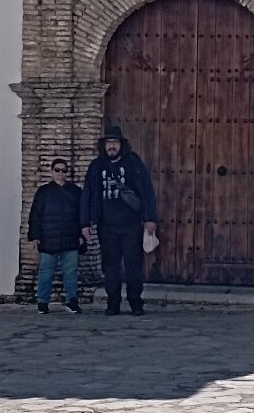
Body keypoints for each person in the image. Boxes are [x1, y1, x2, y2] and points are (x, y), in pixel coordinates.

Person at [81, 126, 158, 316]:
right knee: (110, 266)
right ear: (103, 145)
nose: (112, 146)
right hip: (106, 225)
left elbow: (146, 190)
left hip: (131, 224)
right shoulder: (96, 166)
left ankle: (135, 303)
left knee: (133, 265)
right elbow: (88, 194)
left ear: (121, 145)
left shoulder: (133, 163)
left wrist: (150, 218)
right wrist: (85, 223)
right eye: (109, 143)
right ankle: (113, 303)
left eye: (115, 142)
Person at [28, 158, 84, 314]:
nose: (60, 173)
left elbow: (82, 215)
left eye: (63, 170)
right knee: (46, 271)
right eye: (57, 170)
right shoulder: (43, 192)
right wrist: (35, 235)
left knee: (71, 271)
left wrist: (81, 235)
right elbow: (35, 215)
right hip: (48, 238)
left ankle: (72, 301)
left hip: (70, 237)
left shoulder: (75, 191)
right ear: (52, 171)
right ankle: (42, 302)